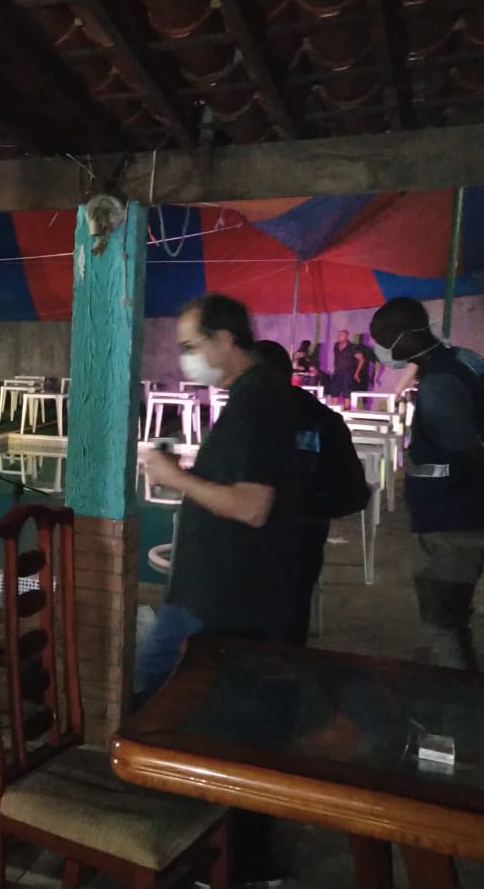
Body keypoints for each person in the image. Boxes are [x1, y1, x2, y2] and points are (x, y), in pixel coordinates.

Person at [141, 294, 298, 888]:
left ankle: (187, 846)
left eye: (191, 345)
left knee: (163, 711)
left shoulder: (256, 404)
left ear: (226, 339)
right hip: (228, 591)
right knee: (228, 728)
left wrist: (175, 477)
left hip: (217, 600)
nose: (185, 357)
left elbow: (253, 506)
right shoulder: (259, 397)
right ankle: (232, 857)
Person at [369, 297, 484, 670]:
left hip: (452, 518)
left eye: (383, 341)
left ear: (405, 337)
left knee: (442, 620)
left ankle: (453, 695)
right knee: (453, 611)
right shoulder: (466, 360)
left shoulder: (438, 387)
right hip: (470, 511)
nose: (382, 351)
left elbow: (472, 453)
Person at [255, 340, 372, 645]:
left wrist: (295, 508)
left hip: (295, 550)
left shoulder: (322, 423)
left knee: (282, 640)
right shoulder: (241, 417)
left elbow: (354, 493)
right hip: (239, 550)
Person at [326, 330, 366, 407]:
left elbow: (362, 359)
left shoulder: (352, 347)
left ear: (346, 336)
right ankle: (333, 409)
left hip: (348, 372)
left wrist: (357, 373)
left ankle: (347, 409)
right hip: (337, 372)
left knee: (346, 391)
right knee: (334, 390)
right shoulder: (336, 345)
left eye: (341, 335)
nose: (339, 337)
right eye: (338, 335)